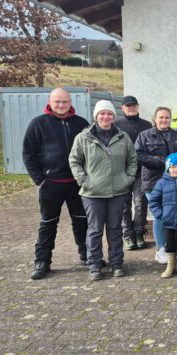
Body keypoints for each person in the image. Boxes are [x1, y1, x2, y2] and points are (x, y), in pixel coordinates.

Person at [23, 87, 90, 280]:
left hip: (77, 184)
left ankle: (87, 254)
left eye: (64, 101)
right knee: (48, 224)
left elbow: (90, 151)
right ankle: (42, 261)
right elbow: (28, 153)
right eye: (57, 102)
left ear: (70, 102)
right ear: (50, 103)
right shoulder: (38, 124)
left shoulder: (81, 123)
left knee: (82, 221)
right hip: (50, 184)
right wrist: (39, 180)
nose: (61, 105)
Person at [69, 100, 137, 281]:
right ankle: (94, 265)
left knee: (115, 228)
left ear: (113, 117)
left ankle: (117, 263)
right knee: (95, 230)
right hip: (92, 193)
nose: (106, 117)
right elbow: (74, 161)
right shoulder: (83, 138)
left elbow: (132, 159)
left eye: (109, 114)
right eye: (102, 113)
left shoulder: (123, 137)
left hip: (118, 191)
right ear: (96, 116)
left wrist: (128, 178)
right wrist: (84, 181)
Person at [135, 107, 177, 264]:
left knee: (172, 213)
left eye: (167, 117)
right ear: (155, 119)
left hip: (174, 181)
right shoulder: (144, 135)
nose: (164, 120)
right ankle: (160, 249)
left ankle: (172, 247)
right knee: (159, 215)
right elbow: (138, 155)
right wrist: (162, 163)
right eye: (161, 117)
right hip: (152, 181)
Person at [115, 95, 152, 250]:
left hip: (141, 172)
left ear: (137, 107)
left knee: (140, 204)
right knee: (124, 206)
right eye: (128, 106)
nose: (131, 108)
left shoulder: (146, 125)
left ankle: (139, 233)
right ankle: (128, 235)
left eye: (133, 106)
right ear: (122, 108)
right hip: (121, 172)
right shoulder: (116, 124)